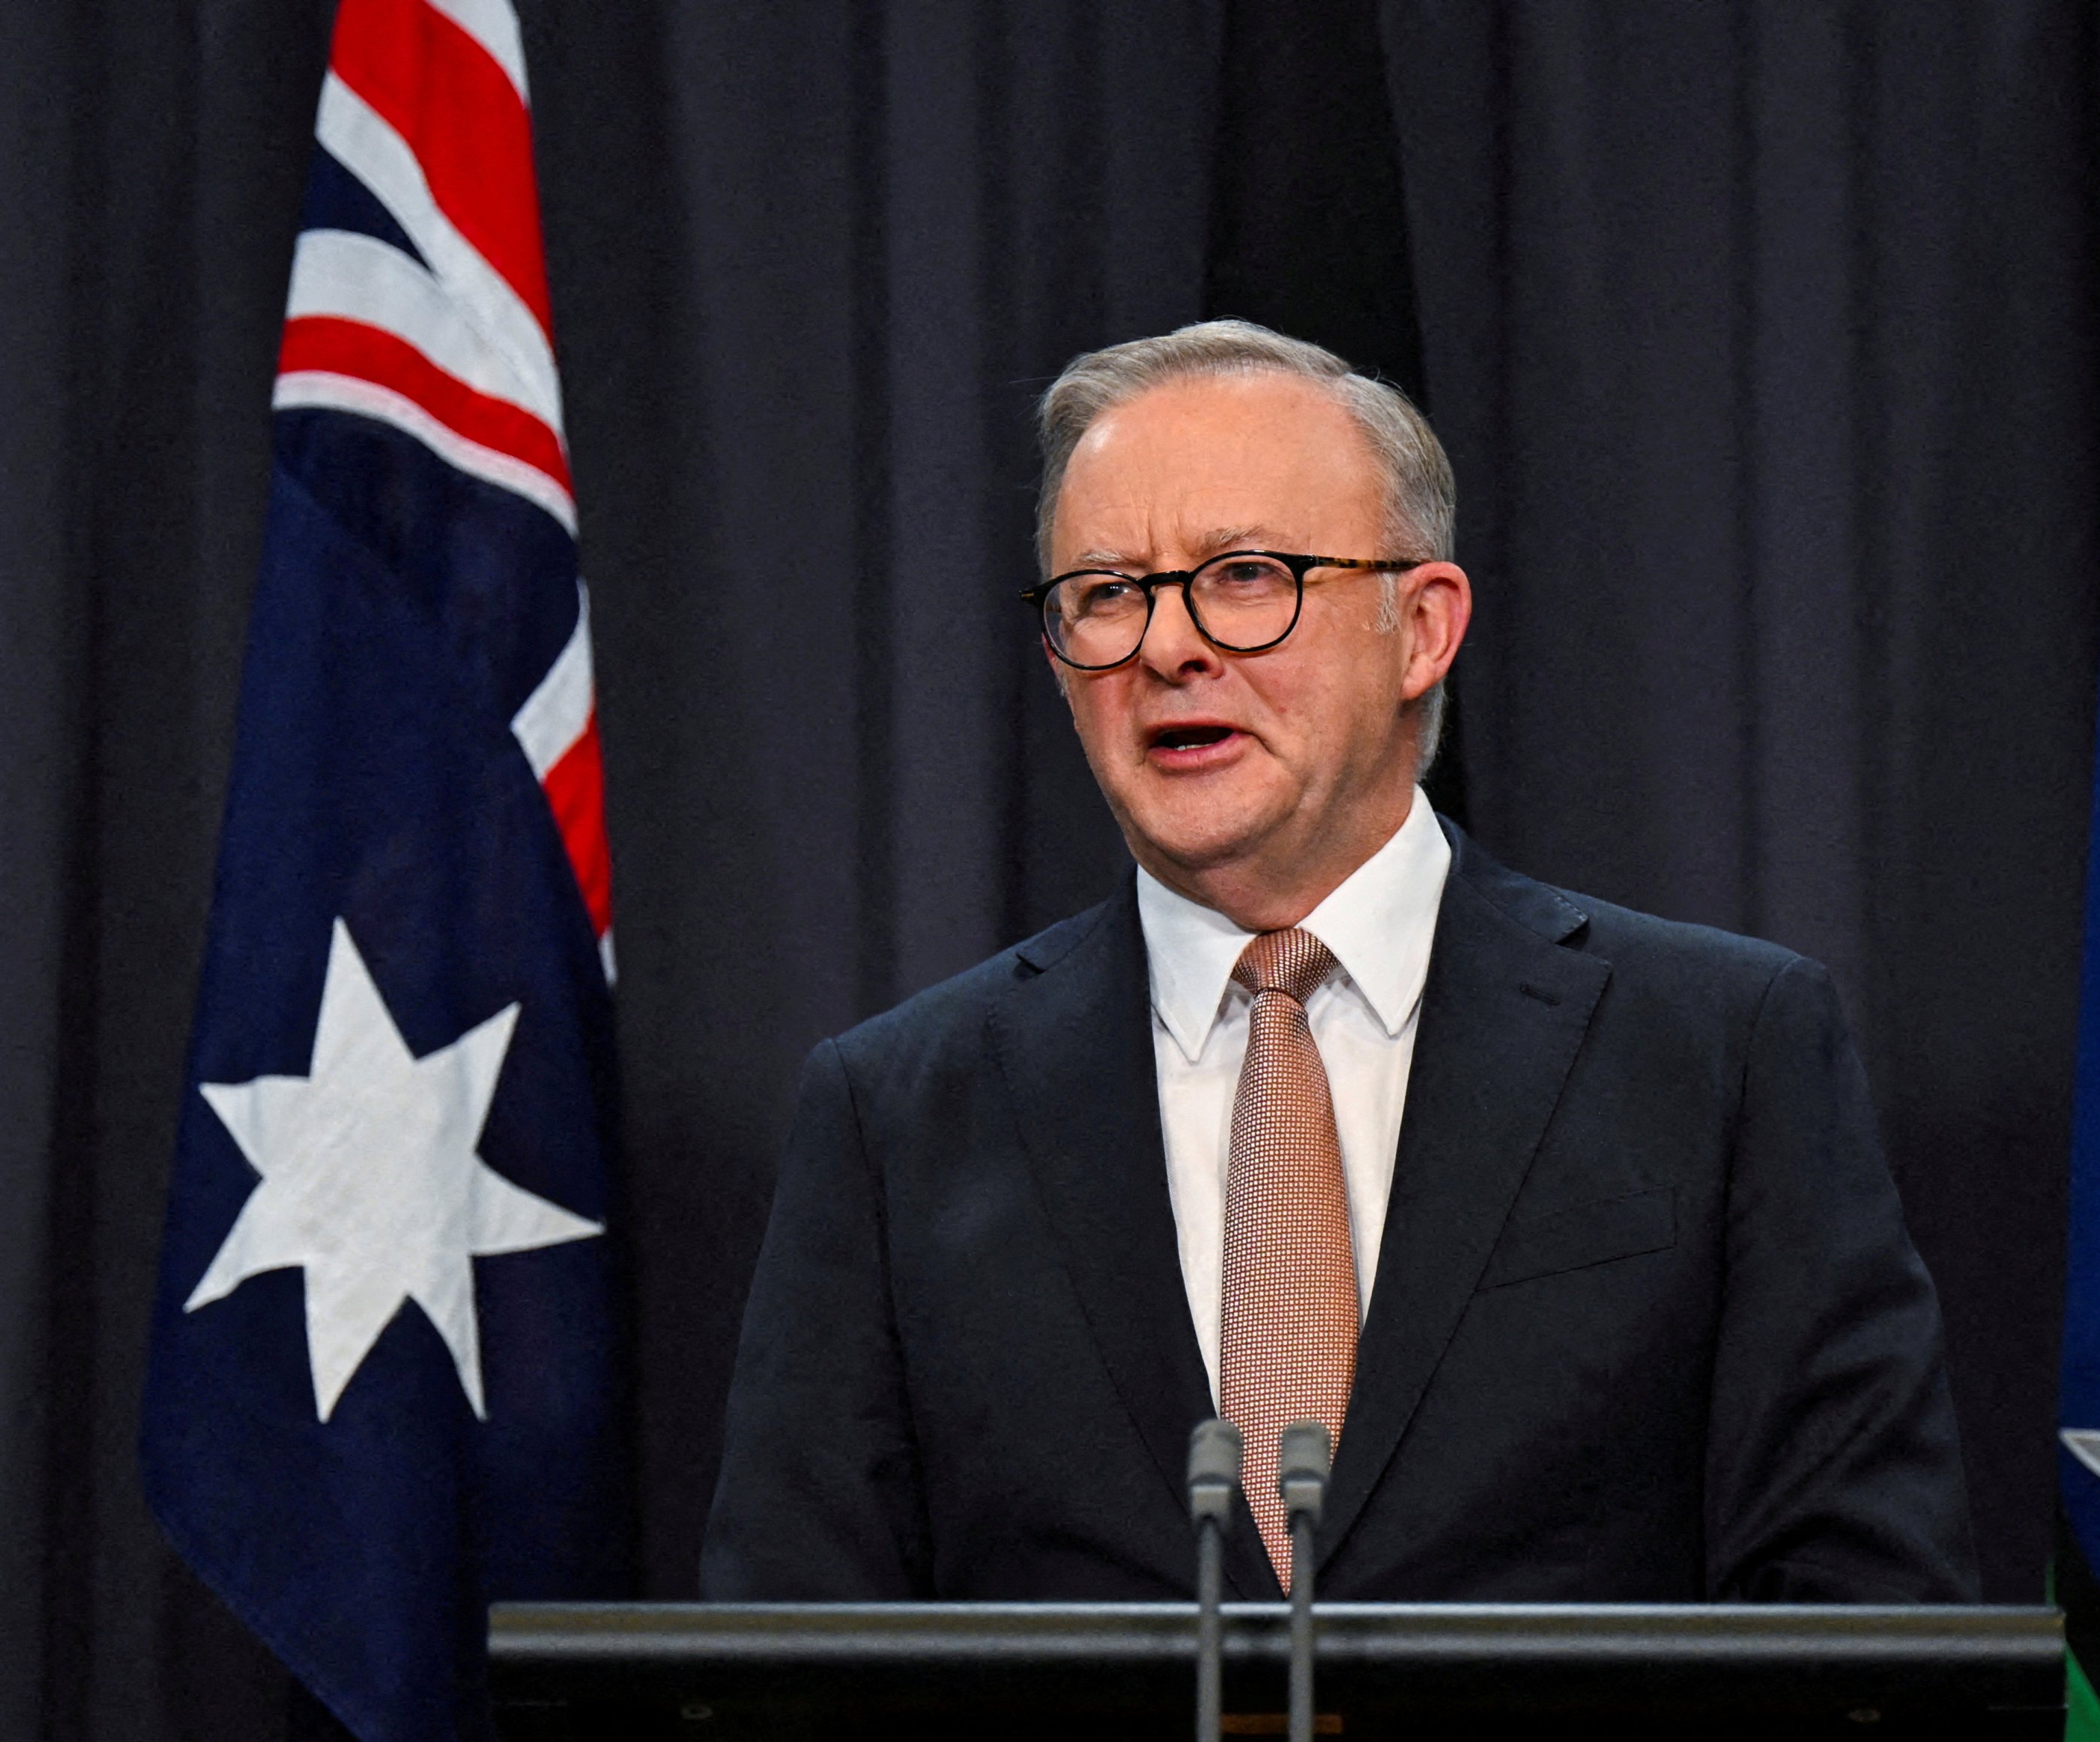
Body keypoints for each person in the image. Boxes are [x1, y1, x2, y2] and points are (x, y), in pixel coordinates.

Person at [702, 320, 1975, 1604]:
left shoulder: (1724, 1055)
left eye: (1245, 575)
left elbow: (1860, 1622)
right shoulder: (897, 1116)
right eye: (1105, 594)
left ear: (1421, 628)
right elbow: (787, 1675)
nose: (1165, 647)